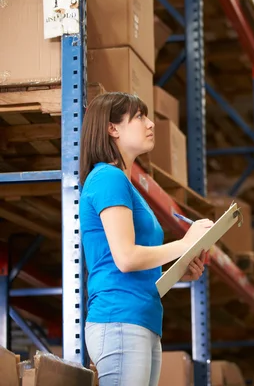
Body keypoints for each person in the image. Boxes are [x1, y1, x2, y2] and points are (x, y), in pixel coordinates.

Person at [78, 92, 212, 385]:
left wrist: (177, 270)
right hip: (119, 319)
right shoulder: (107, 178)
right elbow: (125, 258)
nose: (150, 123)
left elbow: (134, 265)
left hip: (141, 318)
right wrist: (184, 244)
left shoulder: (124, 184)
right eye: (139, 116)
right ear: (112, 128)